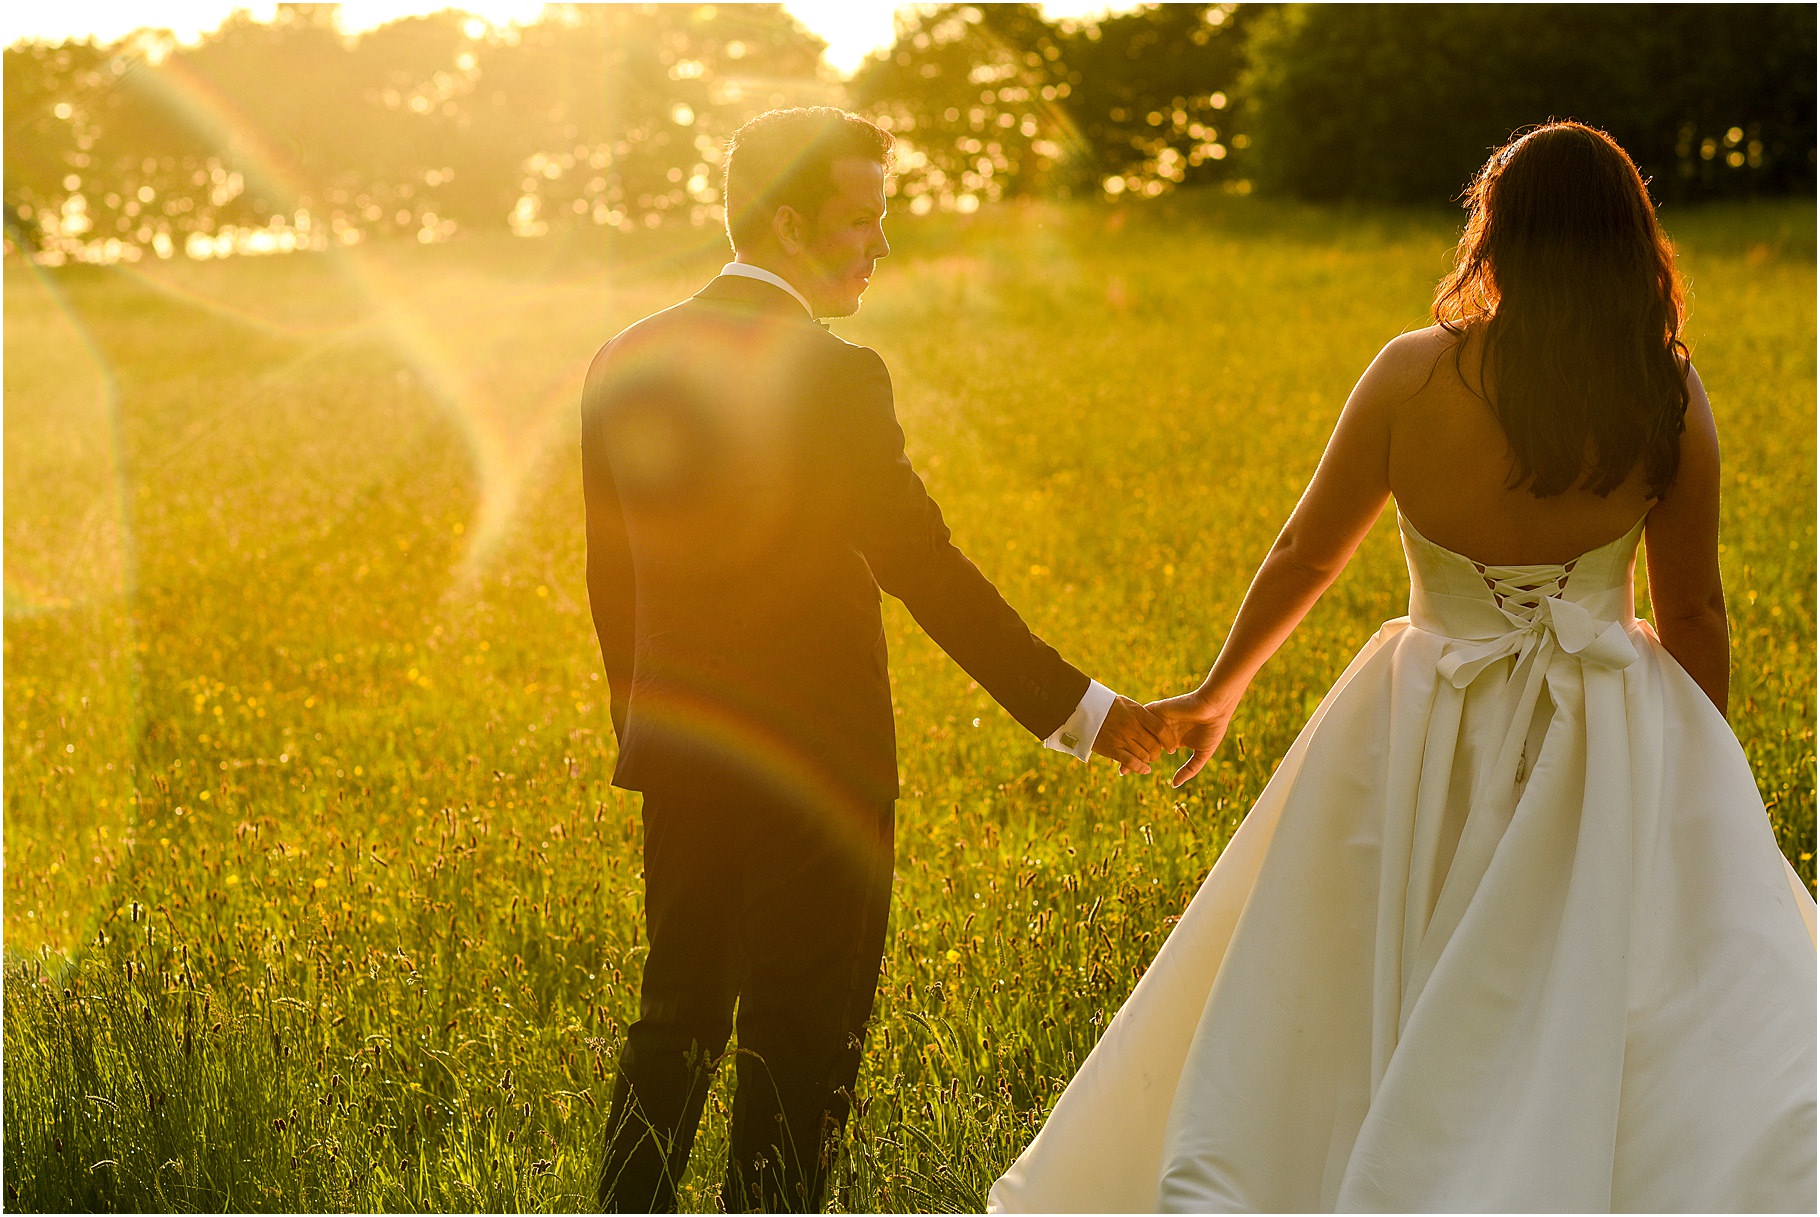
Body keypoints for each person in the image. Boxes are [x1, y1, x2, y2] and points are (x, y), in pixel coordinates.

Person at [989, 122, 1816, 1212]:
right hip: (1602, 722)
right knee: (1618, 977)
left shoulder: (1413, 372)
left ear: (1495, 234)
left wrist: (1215, 692)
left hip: (1422, 714)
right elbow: (1694, 606)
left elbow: (1306, 551)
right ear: (1630, 241)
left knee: (1361, 966)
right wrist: (1690, 754)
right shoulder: (1660, 390)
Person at [581, 107, 1165, 1213]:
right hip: (820, 766)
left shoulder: (626, 354)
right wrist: (1083, 709)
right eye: (864, 219)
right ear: (792, 222)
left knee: (675, 1023)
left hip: (682, 752)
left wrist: (645, 729)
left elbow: (613, 581)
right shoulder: (834, 373)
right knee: (800, 1047)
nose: (880, 246)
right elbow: (922, 564)